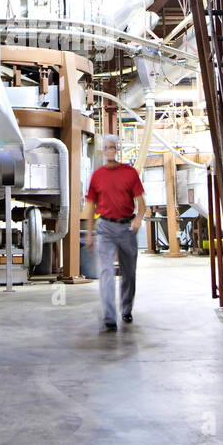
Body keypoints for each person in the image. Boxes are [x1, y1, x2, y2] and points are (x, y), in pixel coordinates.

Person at [84, 135, 148, 331]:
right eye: (106, 147)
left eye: (113, 147)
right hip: (105, 228)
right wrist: (89, 233)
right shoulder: (97, 176)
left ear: (117, 150)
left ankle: (126, 310)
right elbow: (90, 206)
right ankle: (110, 317)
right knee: (106, 272)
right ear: (103, 151)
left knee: (129, 273)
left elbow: (142, 204)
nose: (110, 150)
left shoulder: (130, 173)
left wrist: (138, 219)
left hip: (126, 228)